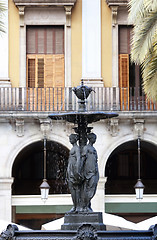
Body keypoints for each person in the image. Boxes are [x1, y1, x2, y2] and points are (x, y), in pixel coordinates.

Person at [82, 133, 99, 212]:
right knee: (88, 189)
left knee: (93, 189)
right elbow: (82, 160)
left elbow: (96, 161)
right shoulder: (86, 148)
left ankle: (87, 205)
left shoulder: (93, 149)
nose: (95, 140)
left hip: (94, 172)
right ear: (90, 138)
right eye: (94, 138)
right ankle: (85, 206)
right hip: (88, 172)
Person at [67, 134, 83, 212]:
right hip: (71, 171)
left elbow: (78, 158)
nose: (69, 140)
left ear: (74, 139)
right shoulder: (74, 148)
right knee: (72, 190)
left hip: (73, 171)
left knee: (75, 190)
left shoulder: (76, 148)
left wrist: (77, 170)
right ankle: (75, 205)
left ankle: (77, 206)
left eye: (71, 138)